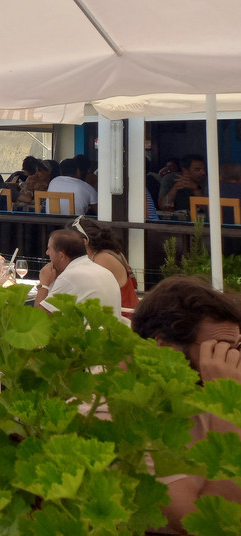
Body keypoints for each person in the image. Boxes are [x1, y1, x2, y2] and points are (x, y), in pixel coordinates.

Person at [130, 276, 241, 532]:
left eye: (237, 346)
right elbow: (208, 525)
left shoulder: (200, 395)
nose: (233, 358)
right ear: (165, 349)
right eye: (220, 349)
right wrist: (227, 403)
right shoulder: (124, 416)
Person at [33, 229, 122, 319]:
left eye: (49, 248)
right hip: (111, 326)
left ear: (61, 255)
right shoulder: (101, 270)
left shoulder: (69, 276)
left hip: (89, 327)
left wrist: (44, 283)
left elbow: (39, 317)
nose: (47, 253)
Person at [70, 216, 139, 315]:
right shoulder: (111, 252)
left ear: (84, 241)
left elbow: (88, 293)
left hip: (122, 316)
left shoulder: (102, 259)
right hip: (127, 312)